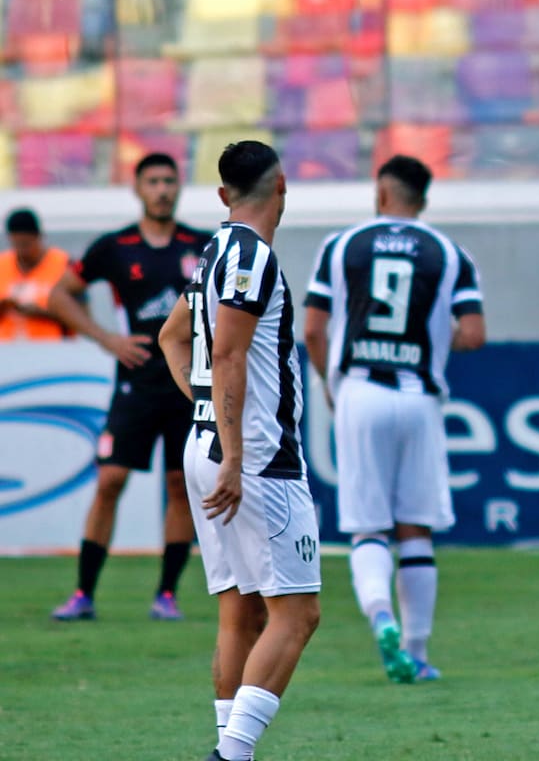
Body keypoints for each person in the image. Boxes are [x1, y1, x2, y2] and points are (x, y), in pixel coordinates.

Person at [159, 140, 320, 761]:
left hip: (209, 444)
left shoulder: (212, 253)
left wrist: (205, 410)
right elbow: (227, 353)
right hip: (253, 459)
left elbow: (171, 337)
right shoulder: (251, 256)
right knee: (297, 614)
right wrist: (232, 453)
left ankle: (230, 749)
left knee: (241, 611)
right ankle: (231, 755)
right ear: (282, 186)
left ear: (224, 194)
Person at [303, 154, 485, 684]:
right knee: (415, 528)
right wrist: (434, 339)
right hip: (419, 395)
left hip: (360, 390)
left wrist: (329, 382)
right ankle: (417, 651)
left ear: (381, 191)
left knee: (369, 528)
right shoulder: (449, 253)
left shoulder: (341, 246)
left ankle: (381, 616)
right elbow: (474, 334)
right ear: (423, 199)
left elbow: (313, 329)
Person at [47, 152, 210, 621]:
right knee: (110, 481)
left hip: (185, 384)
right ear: (137, 189)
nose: (162, 190)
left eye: (169, 181)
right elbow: (59, 295)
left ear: (179, 187)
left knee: (180, 485)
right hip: (135, 385)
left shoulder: (201, 245)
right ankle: (83, 594)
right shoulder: (115, 246)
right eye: (152, 181)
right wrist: (107, 339)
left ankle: (167, 595)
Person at [0, 207, 73, 340]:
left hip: (53, 347)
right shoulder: (2, 265)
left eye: (26, 244)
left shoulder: (62, 264)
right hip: (7, 348)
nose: (22, 250)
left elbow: (81, 315)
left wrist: (41, 312)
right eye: (17, 243)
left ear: (38, 236)